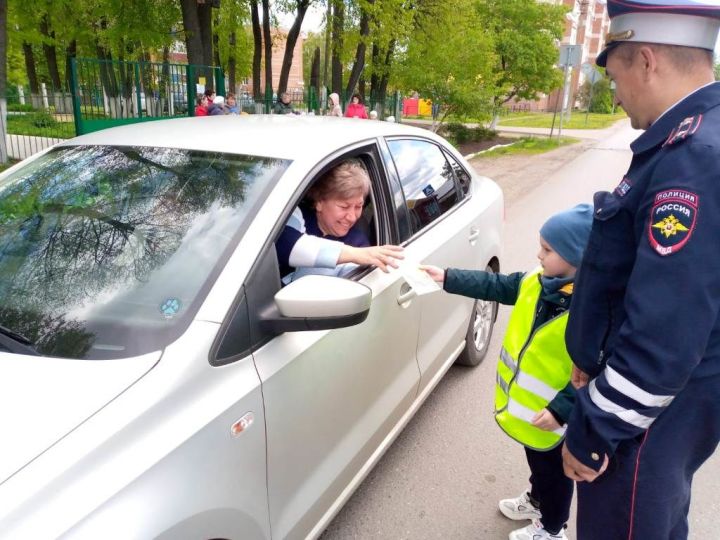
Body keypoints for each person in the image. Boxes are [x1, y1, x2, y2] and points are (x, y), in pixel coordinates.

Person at [559, 3, 720, 540]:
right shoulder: (696, 136)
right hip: (671, 409)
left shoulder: (691, 157)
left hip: (644, 423)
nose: (615, 92)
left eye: (615, 75)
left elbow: (664, 334)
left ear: (646, 60)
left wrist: (593, 429)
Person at [423, 204, 593, 540]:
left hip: (556, 419)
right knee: (538, 465)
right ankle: (536, 500)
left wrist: (562, 411)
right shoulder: (538, 280)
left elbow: (594, 371)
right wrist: (448, 278)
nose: (538, 255)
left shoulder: (590, 312)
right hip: (532, 413)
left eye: (548, 250)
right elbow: (498, 286)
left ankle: (553, 528)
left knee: (556, 474)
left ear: (577, 257)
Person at [276, 159, 403, 282]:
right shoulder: (296, 215)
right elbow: (282, 245)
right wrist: (353, 254)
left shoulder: (358, 243)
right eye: (344, 207)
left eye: (359, 206)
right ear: (319, 202)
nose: (352, 217)